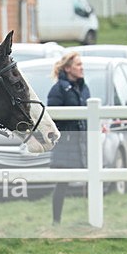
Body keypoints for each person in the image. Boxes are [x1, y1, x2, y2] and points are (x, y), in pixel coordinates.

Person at [47, 52, 89, 225]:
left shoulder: (84, 88)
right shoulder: (57, 90)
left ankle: (90, 219)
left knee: (91, 180)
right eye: (78, 64)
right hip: (65, 143)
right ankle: (56, 221)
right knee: (62, 183)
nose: (82, 68)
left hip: (82, 142)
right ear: (67, 68)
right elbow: (54, 118)